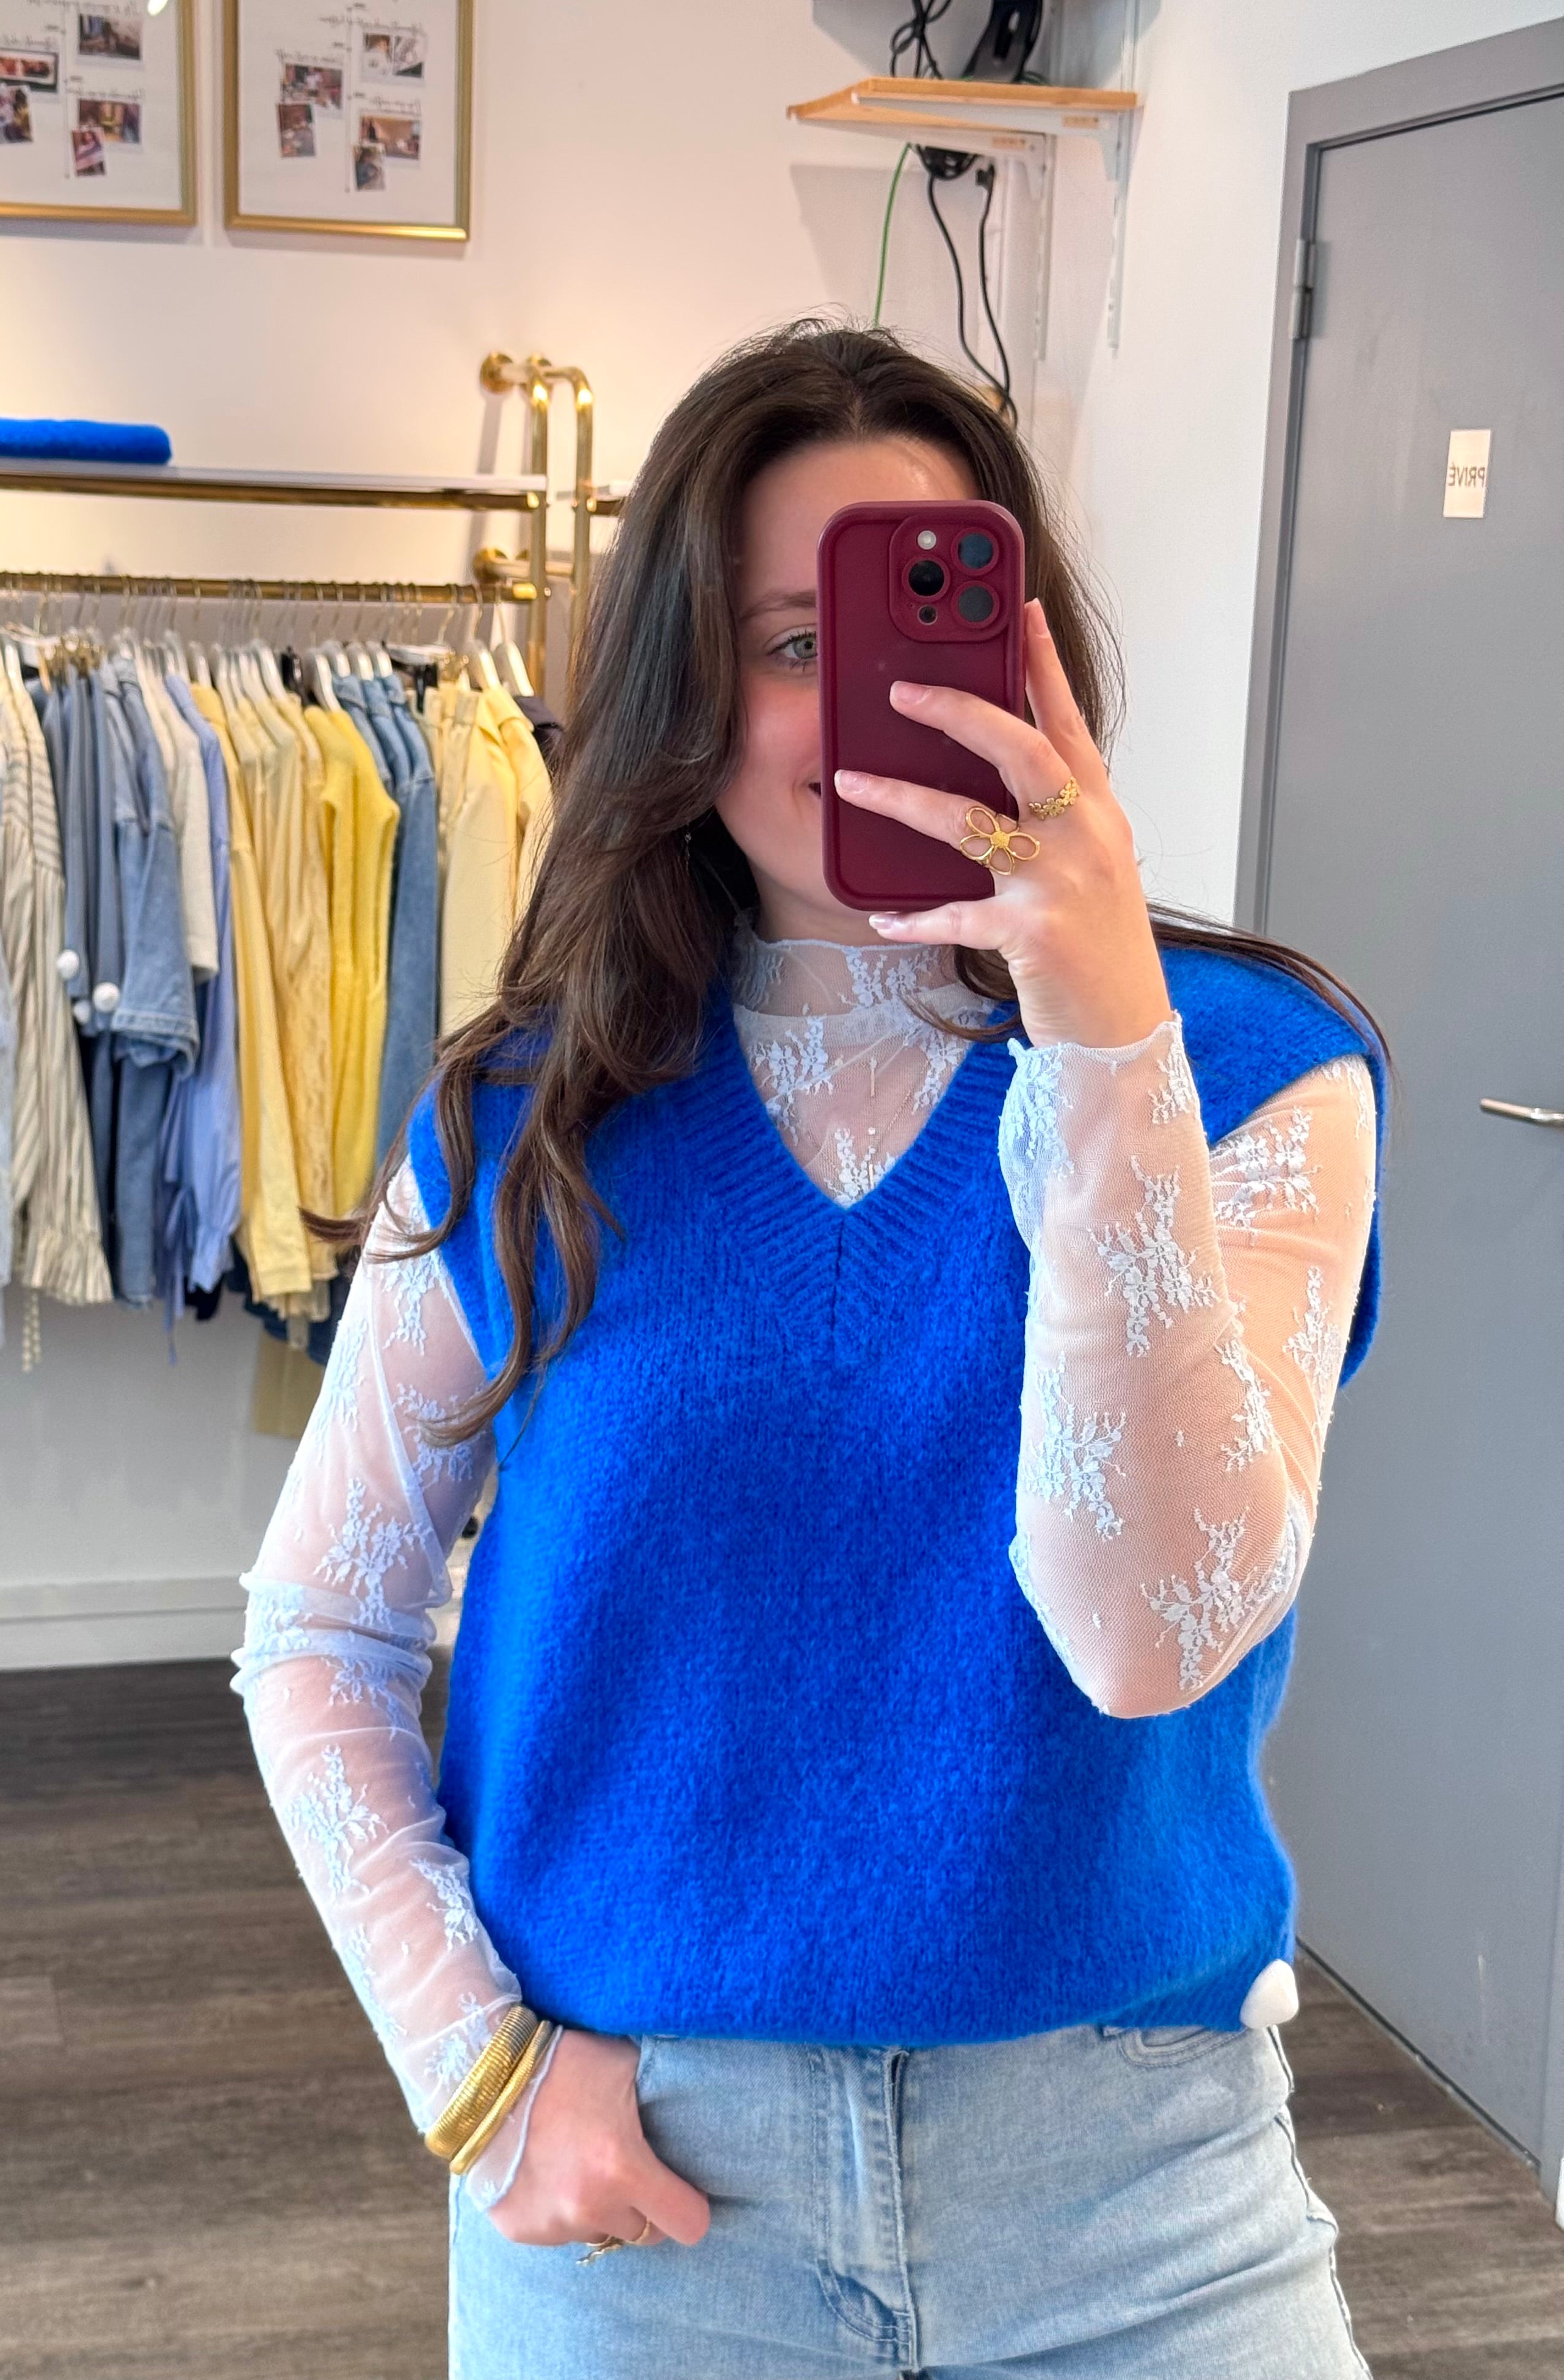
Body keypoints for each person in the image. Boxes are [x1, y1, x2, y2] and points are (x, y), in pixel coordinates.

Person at [231, 321, 1384, 2378]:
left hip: (1137, 2199)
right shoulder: (530, 1118)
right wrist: (476, 2069)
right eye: (790, 644)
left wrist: (1102, 1033)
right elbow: (319, 1628)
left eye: (937, 632)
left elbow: (1153, 1632)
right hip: (652, 2202)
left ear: (1036, 656)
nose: (872, 710)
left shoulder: (1256, 1075)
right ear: (682, 694)